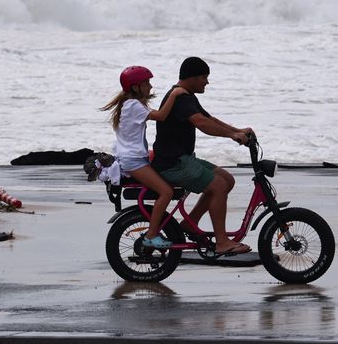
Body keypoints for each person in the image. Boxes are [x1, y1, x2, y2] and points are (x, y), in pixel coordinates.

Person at [151, 57, 254, 255]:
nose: (207, 82)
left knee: (227, 180)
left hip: (184, 159)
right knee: (218, 186)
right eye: (204, 78)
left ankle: (190, 224)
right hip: (173, 164)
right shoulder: (180, 98)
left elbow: (209, 118)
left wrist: (237, 130)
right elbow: (201, 123)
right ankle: (222, 242)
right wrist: (233, 135)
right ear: (192, 78)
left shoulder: (187, 95)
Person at [101, 65, 188, 249]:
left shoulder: (130, 104)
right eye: (146, 82)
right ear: (135, 87)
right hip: (133, 161)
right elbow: (162, 116)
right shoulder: (133, 105)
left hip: (132, 157)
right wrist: (175, 94)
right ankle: (151, 235)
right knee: (166, 192)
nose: (150, 86)